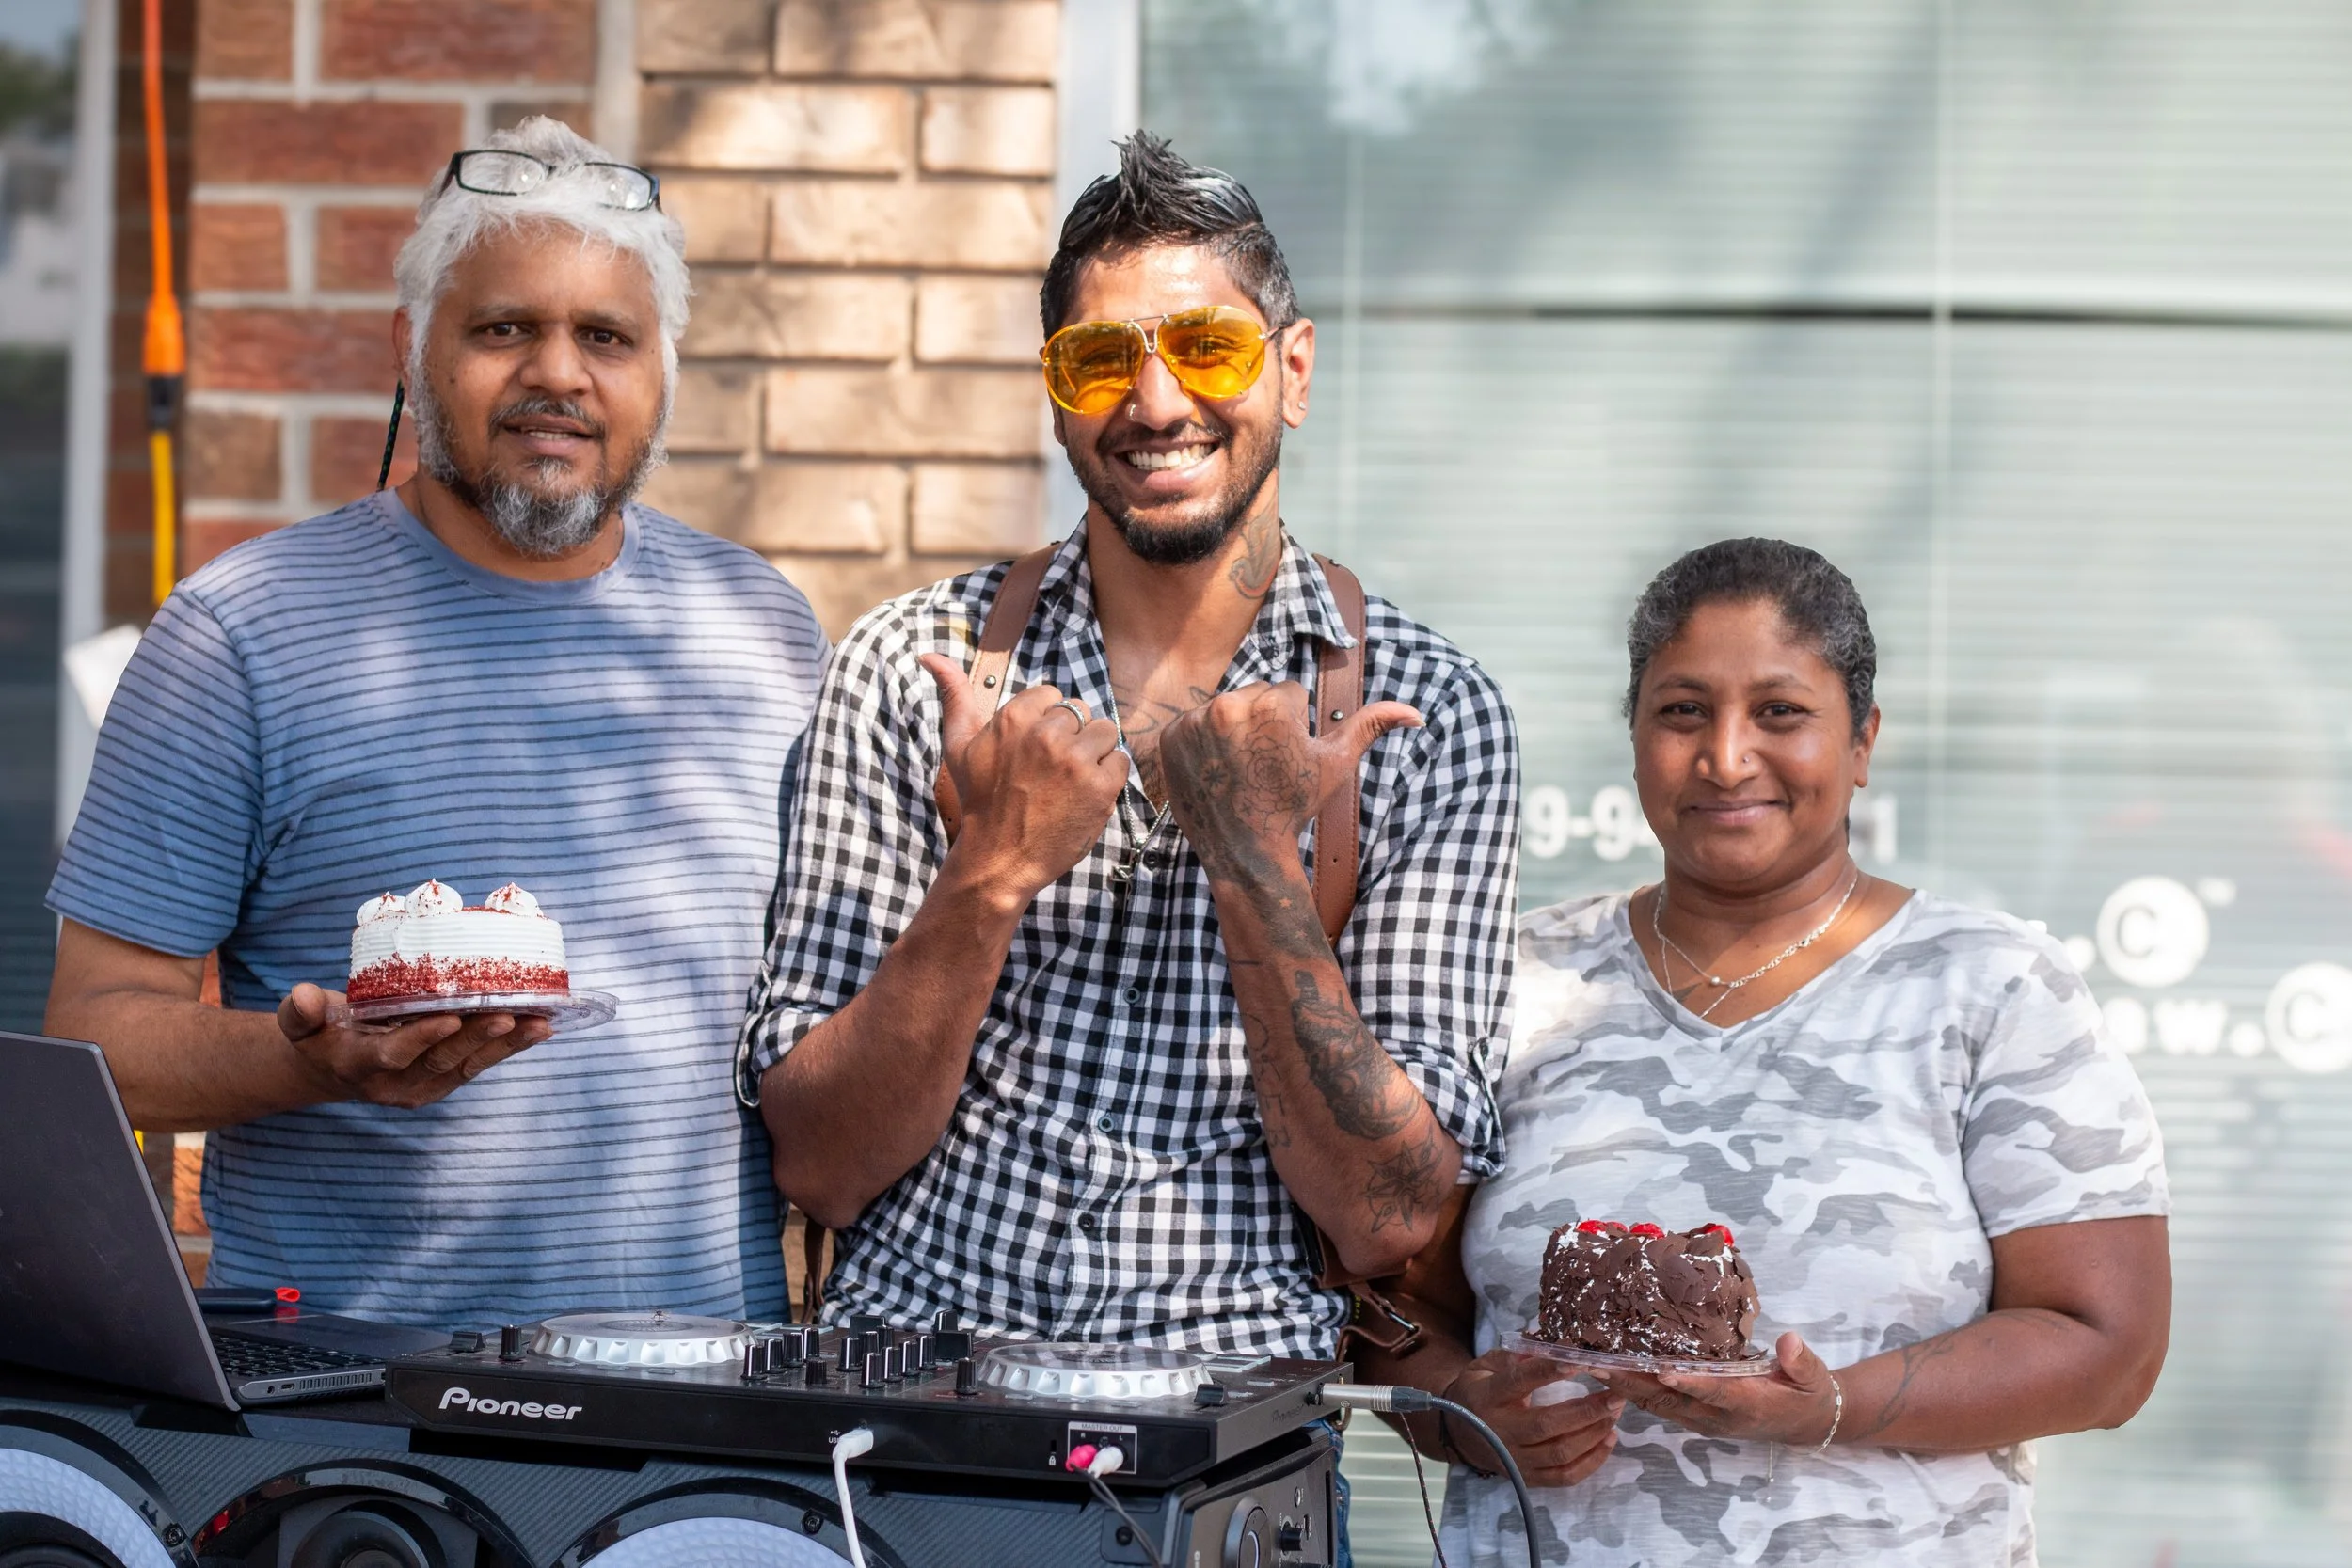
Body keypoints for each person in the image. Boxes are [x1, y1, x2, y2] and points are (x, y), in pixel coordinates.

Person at [739, 132, 1520, 1364]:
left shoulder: (1429, 713)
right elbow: (823, 1168)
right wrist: (987, 875)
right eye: (1101, 357)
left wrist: (1257, 859)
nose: (1156, 403)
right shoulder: (914, 662)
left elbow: (1389, 1213)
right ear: (1056, 391)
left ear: (1295, 370)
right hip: (905, 1427)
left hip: (1228, 1446)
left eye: (1207, 347)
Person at [43, 117, 827, 1326]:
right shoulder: (237, 631)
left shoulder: (764, 628)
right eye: (505, 326)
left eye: (606, 337)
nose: (558, 374)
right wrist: (305, 1061)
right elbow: (94, 1036)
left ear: (662, 370)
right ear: (412, 350)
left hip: (702, 1398)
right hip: (358, 1409)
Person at [1359, 538, 2171, 1565]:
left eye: (1779, 712)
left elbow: (2108, 1346)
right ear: (1635, 734)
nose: (1725, 756)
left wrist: (1829, 1407)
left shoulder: (1992, 986)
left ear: (1862, 740)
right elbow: (1386, 1303)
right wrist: (1458, 1415)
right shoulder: (1512, 980)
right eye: (1682, 710)